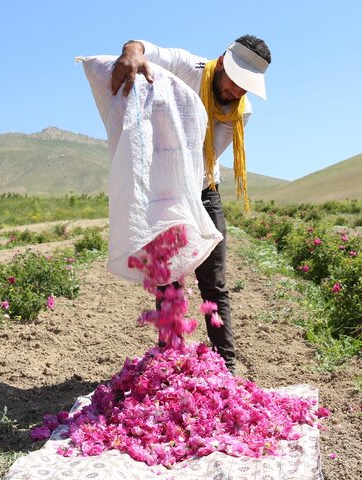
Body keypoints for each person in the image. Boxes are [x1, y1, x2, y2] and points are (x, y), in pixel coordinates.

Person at [110, 36, 272, 373]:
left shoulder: (242, 112)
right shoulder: (190, 67)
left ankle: (226, 368)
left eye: (247, 88)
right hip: (167, 193)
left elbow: (201, 161)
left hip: (202, 189)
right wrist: (132, 53)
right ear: (222, 63)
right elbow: (144, 48)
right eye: (235, 82)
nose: (238, 92)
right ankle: (169, 358)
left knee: (213, 281)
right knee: (167, 278)